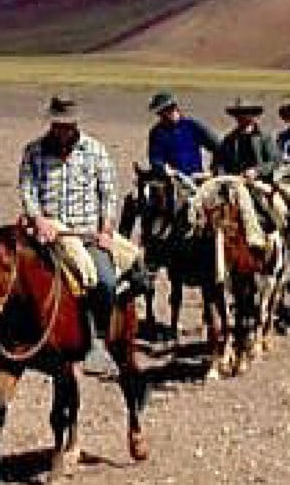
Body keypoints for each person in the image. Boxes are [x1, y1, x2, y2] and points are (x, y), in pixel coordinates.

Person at [17, 96, 128, 371]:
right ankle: (9, 334)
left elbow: (109, 193)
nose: (62, 130)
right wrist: (38, 218)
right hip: (47, 232)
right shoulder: (34, 151)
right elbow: (27, 188)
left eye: (67, 125)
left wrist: (106, 229)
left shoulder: (95, 151)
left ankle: (99, 341)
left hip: (85, 235)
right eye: (58, 124)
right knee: (8, 270)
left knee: (104, 280)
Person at [144, 92, 217, 176]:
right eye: (163, 112)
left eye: (171, 108)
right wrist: (163, 168)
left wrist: (213, 168)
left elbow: (217, 146)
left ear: (176, 107)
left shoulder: (192, 126)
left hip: (196, 178)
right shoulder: (157, 133)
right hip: (172, 179)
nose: (169, 113)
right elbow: (155, 158)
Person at [214, 98, 277, 177]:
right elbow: (219, 162)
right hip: (236, 180)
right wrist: (222, 172)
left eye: (245, 113)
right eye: (239, 114)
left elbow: (274, 162)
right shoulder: (230, 139)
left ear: (253, 116)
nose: (241, 117)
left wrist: (257, 171)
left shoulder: (264, 137)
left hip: (261, 180)